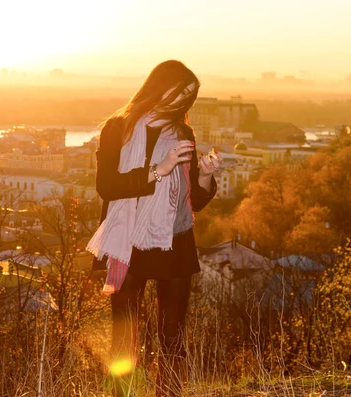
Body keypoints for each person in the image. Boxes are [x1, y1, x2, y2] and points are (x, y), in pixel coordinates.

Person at [86, 60, 222, 396]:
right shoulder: (117, 127)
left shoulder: (183, 133)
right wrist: (159, 170)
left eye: (190, 98)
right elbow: (107, 187)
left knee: (173, 336)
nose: (183, 102)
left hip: (174, 240)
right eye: (180, 92)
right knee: (124, 336)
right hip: (127, 239)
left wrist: (204, 175)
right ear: (160, 85)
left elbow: (193, 201)